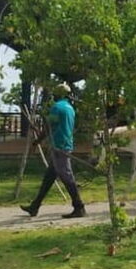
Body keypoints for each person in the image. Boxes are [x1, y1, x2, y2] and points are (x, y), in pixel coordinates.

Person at [20, 83, 87, 219]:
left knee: (66, 176)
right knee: (49, 177)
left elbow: (47, 127)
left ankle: (79, 207)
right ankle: (35, 206)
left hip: (59, 146)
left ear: (59, 95)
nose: (53, 96)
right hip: (66, 143)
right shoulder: (70, 108)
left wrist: (37, 140)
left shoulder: (57, 107)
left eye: (55, 94)